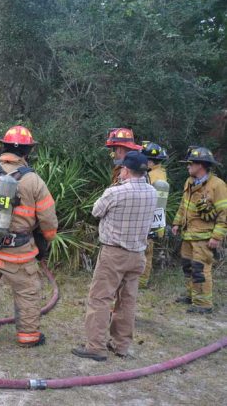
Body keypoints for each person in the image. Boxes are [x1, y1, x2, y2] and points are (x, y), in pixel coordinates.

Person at [0, 125, 58, 347]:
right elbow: (49, 221)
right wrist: (48, 239)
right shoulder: (34, 181)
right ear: (27, 152)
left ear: (3, 147)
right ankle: (28, 337)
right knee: (27, 293)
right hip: (19, 253)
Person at [72, 151, 156, 361]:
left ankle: (96, 347)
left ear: (125, 170)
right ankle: (121, 345)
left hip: (114, 253)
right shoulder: (153, 192)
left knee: (100, 298)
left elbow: (95, 211)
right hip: (138, 254)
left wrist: (114, 186)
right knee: (127, 301)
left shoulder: (116, 192)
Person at [172, 146, 227, 314]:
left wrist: (217, 237)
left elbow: (224, 213)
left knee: (200, 269)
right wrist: (177, 223)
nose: (188, 167)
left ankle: (203, 304)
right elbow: (183, 206)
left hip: (205, 238)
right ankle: (192, 296)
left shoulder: (217, 186)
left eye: (190, 164)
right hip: (188, 235)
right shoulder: (189, 182)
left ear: (201, 165)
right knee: (188, 267)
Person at [139, 141, 169, 288]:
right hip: (151, 221)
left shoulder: (155, 177)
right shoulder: (158, 174)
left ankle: (141, 282)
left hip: (149, 221)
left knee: (146, 252)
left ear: (150, 161)